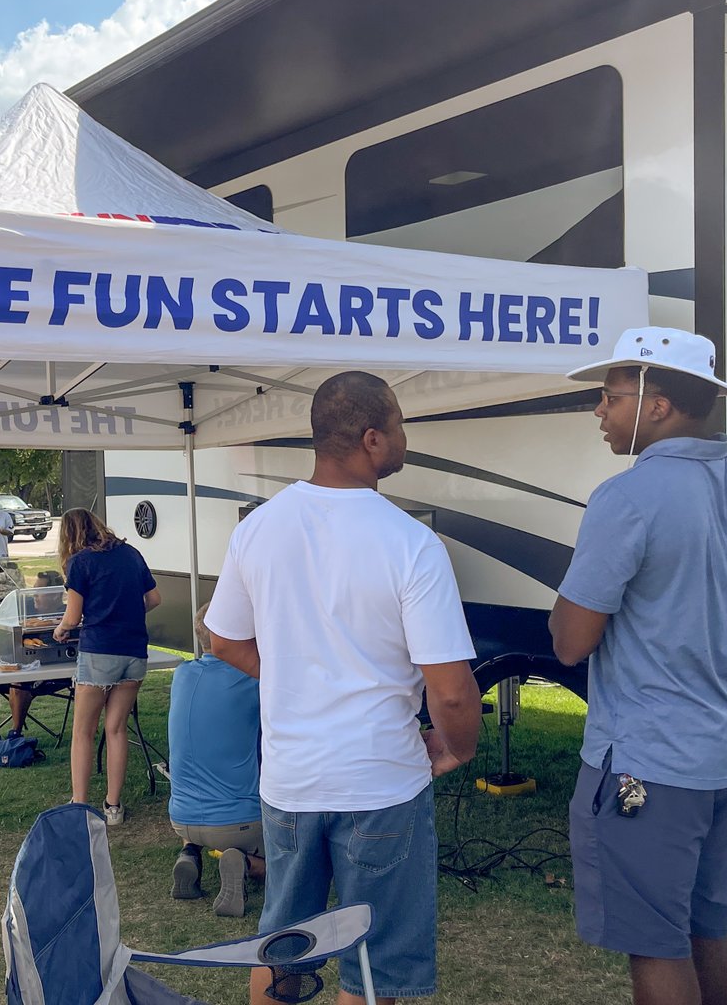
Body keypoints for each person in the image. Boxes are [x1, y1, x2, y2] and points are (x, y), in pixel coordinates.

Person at [549, 327, 727, 1005]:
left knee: (657, 944)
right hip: (726, 753)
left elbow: (571, 642)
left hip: (648, 762)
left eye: (609, 398)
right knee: (704, 930)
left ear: (657, 406)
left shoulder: (627, 497)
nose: (600, 413)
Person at [207, 370, 483, 1005]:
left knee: (280, 948)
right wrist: (459, 748)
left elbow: (221, 638)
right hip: (382, 780)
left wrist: (292, 676)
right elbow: (451, 692)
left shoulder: (258, 528)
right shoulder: (413, 544)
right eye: (399, 424)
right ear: (371, 440)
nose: (404, 436)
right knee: (373, 964)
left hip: (290, 780)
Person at [53, 509, 160, 826]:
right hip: (134, 652)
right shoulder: (130, 553)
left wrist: (61, 630)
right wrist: (127, 611)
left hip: (99, 651)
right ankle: (114, 807)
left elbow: (72, 618)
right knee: (116, 730)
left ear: (69, 535)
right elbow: (154, 598)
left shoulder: (79, 562)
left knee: (83, 732)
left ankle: (80, 804)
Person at [167, 603, 264, 916]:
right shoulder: (252, 680)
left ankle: (189, 854)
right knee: (293, 863)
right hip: (239, 822)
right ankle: (245, 862)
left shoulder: (182, 675)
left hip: (181, 817)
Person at [0, 570, 67, 753]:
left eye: (39, 592)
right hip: (20, 664)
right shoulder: (26, 610)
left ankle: (15, 733)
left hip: (53, 673)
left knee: (19, 681)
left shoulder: (66, 613)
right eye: (33, 591)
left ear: (55, 594)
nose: (34, 597)